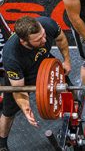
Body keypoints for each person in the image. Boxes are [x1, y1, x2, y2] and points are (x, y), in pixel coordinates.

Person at [0, 16, 71, 151]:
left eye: (43, 35)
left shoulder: (47, 24)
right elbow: (19, 89)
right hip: (22, 77)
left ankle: (75, 106)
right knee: (8, 113)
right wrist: (26, 107)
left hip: (45, 63)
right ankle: (2, 144)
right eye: (38, 40)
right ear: (23, 41)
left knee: (67, 85)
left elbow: (61, 39)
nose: (44, 40)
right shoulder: (11, 56)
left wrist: (66, 61)